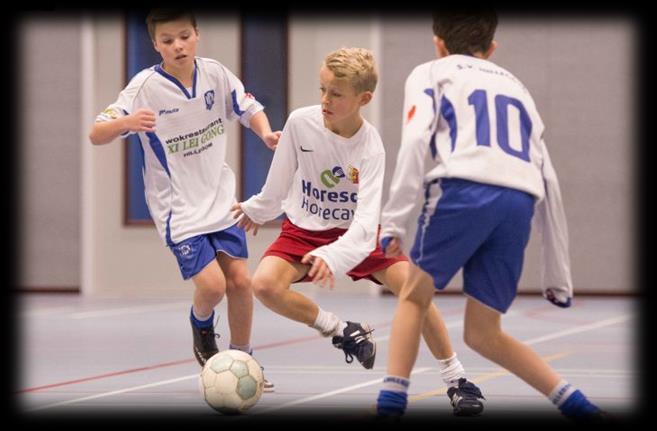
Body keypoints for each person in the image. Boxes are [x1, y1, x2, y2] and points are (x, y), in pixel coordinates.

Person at [375, 10, 605, 421]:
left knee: (413, 296)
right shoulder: (517, 87)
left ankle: (389, 405)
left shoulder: (431, 71)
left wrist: (394, 220)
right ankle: (580, 407)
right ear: (491, 48)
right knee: (484, 333)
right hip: (520, 198)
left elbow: (414, 142)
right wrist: (559, 275)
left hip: (462, 186)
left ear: (438, 42)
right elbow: (546, 174)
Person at [231, 47, 484, 415]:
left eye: (336, 94)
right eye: (322, 89)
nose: (324, 100)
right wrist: (256, 209)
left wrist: (331, 256)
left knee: (417, 291)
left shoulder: (370, 147)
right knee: (265, 285)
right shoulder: (301, 123)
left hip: (356, 234)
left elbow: (366, 225)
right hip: (304, 229)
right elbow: (277, 186)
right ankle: (341, 330)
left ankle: (458, 380)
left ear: (363, 98)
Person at [88, 9, 279, 391]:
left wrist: (265, 134)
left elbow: (249, 107)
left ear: (197, 35)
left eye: (183, 36)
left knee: (241, 282)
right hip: (178, 210)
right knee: (212, 287)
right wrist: (125, 123)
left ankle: (243, 359)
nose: (177, 45)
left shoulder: (217, 74)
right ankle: (201, 326)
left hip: (221, 201)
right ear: (156, 45)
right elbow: (96, 133)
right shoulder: (144, 87)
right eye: (167, 40)